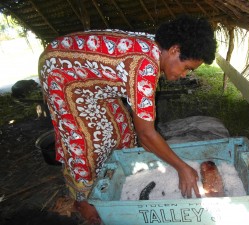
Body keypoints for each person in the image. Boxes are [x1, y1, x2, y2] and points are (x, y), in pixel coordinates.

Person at [38, 15, 216, 224]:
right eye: (187, 68)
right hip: (60, 71)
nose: (185, 75)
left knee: (121, 129)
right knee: (87, 139)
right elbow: (146, 135)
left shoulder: (157, 49)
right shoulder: (145, 65)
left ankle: (114, 179)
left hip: (91, 81)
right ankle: (82, 200)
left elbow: (141, 130)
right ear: (175, 50)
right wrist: (182, 167)